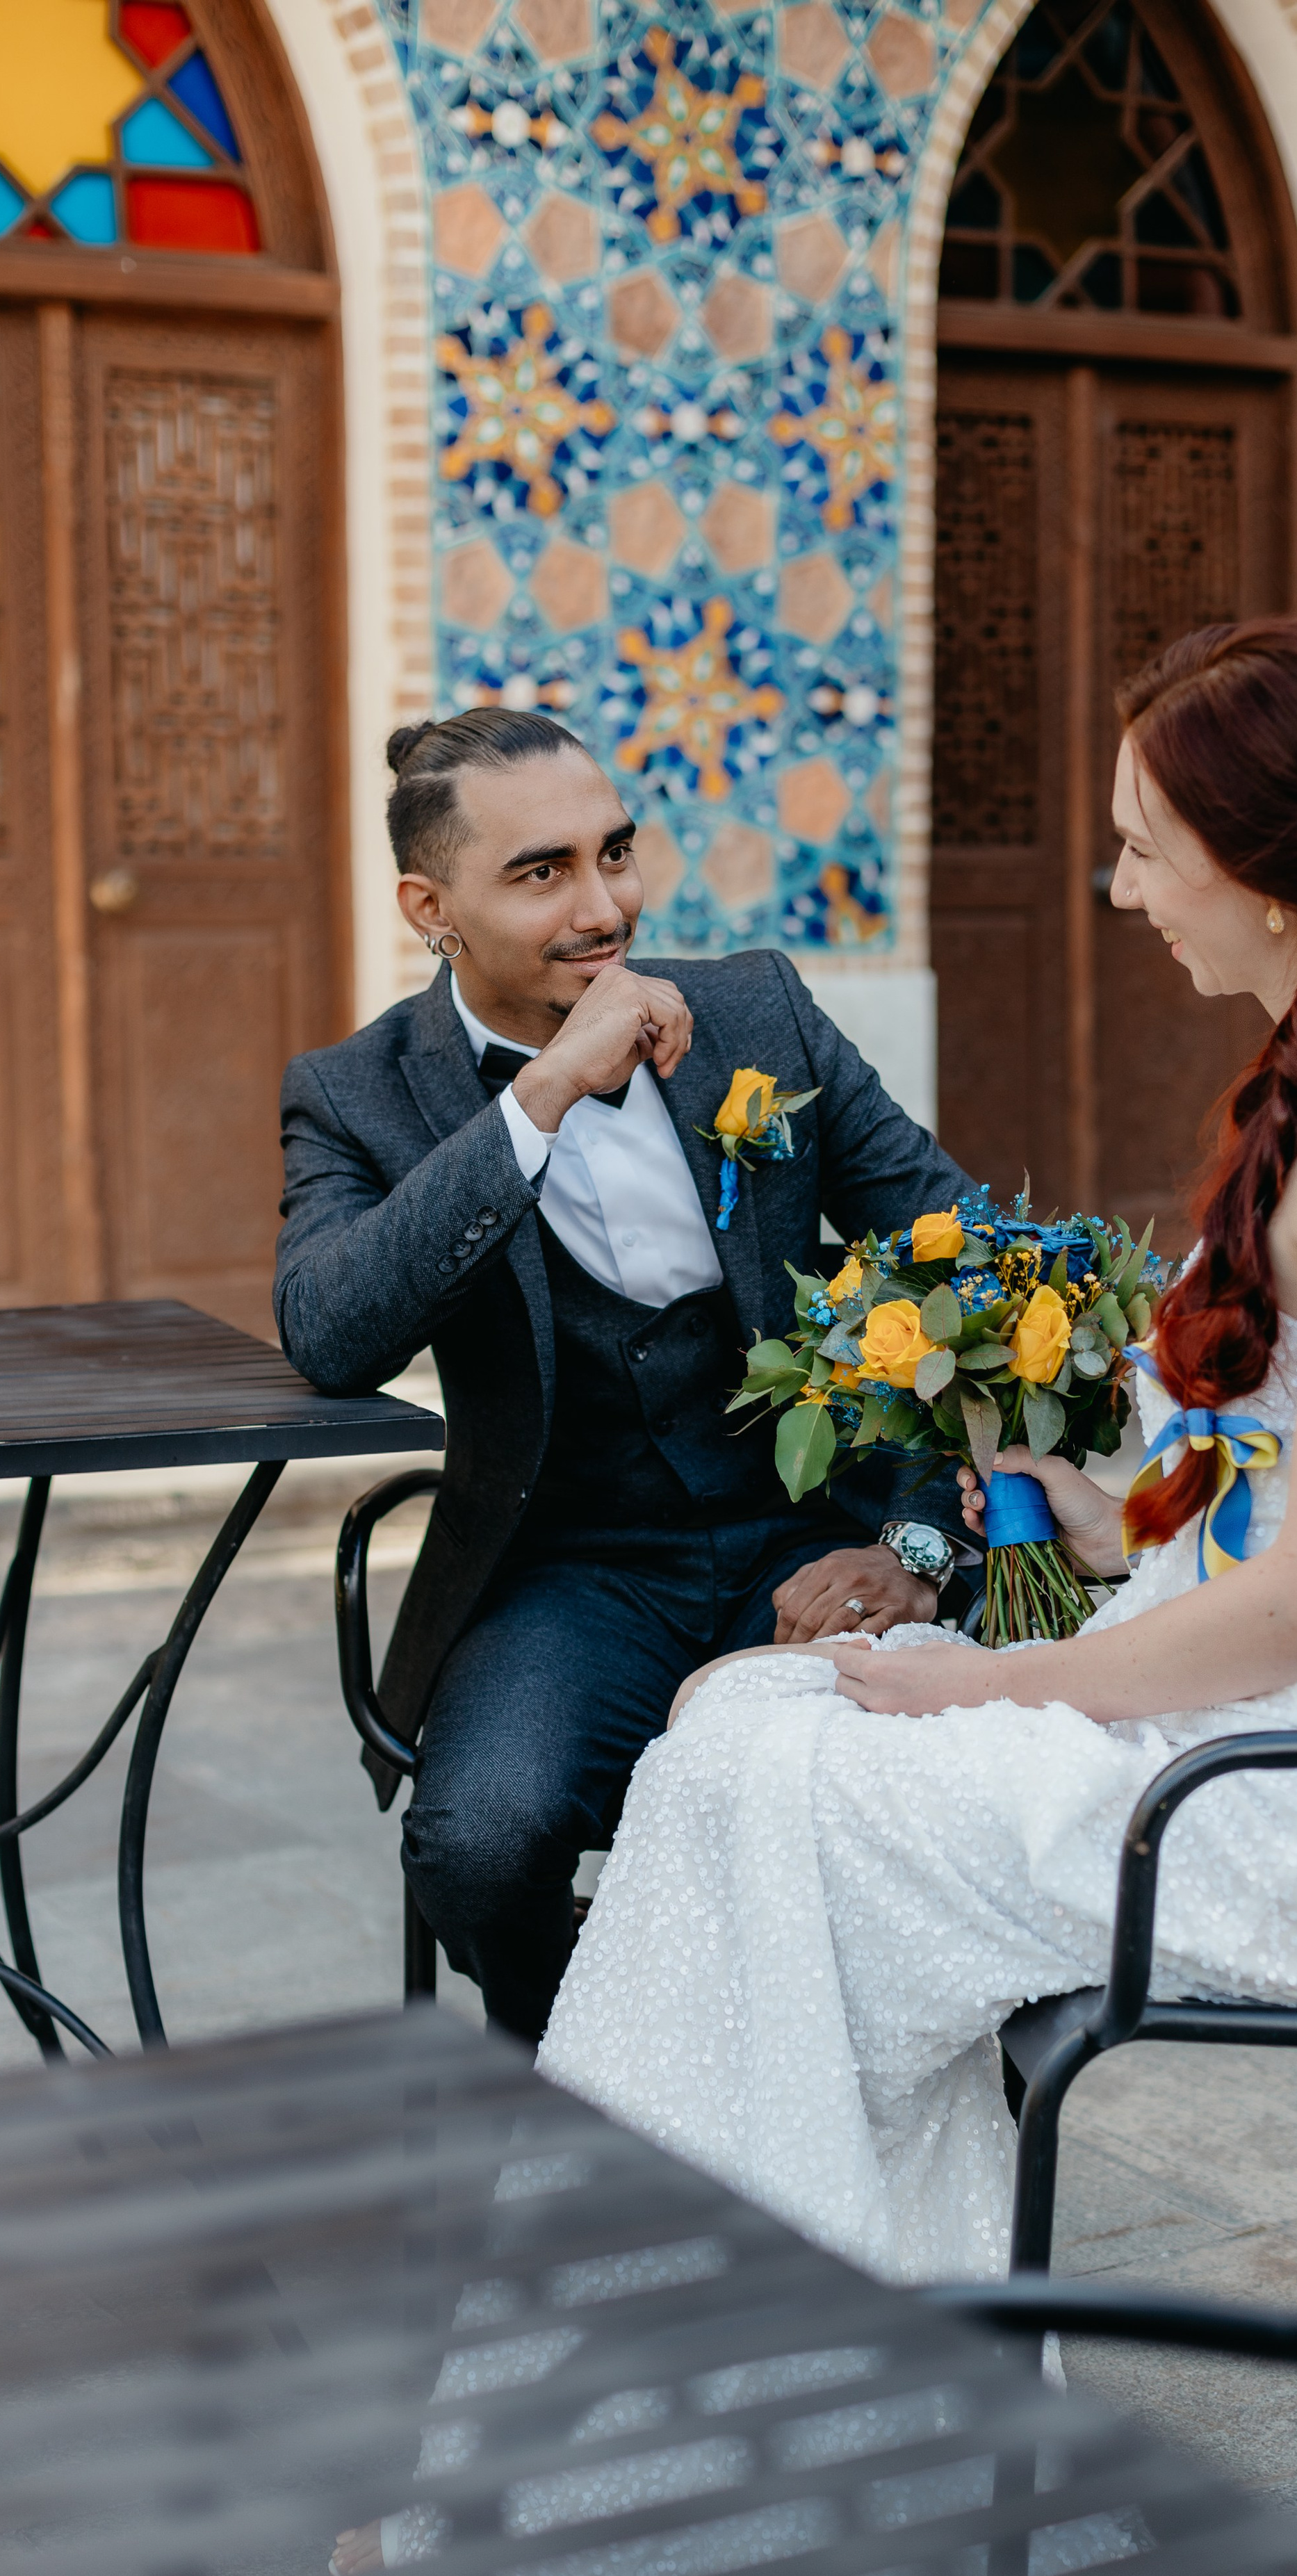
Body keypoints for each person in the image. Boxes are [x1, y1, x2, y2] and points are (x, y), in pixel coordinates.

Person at [539, 619, 1297, 2288]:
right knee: (735, 1723)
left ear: (1267, 873)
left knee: (752, 1772)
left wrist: (991, 1689)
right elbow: (1272, 1495)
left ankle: (698, 2347)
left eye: (1147, 850)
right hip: (1244, 1734)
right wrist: (1106, 1518)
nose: (1122, 886)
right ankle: (812, 2324)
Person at [274, 707, 977, 2043]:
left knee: (907, 1828)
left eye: (615, 854)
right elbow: (328, 1328)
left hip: (815, 1533)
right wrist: (533, 1103)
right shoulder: (355, 1094)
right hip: (573, 1568)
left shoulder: (757, 1009)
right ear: (434, 906)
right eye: (541, 873)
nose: (602, 909)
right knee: (477, 1848)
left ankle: (885, 2125)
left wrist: (920, 1536)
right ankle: (622, 2083)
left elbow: (969, 1265)